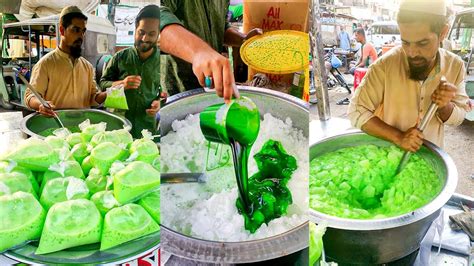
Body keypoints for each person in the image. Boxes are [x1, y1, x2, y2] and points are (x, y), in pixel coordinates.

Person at [348, 0, 470, 152]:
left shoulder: (455, 66)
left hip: (431, 158)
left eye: (422, 43)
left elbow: (459, 116)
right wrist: (398, 137)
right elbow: (356, 110)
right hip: (388, 157)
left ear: (443, 33)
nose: (412, 53)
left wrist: (444, 106)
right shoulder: (385, 65)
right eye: (405, 42)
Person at [160, 1, 262, 103]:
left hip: (211, 89)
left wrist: (243, 40)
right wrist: (199, 52)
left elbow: (222, 27)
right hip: (176, 90)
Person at [25, 6, 106, 117]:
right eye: (76, 30)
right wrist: (41, 105)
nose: (81, 36)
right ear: (62, 30)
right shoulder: (45, 64)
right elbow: (30, 96)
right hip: (57, 128)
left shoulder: (87, 67)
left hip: (82, 128)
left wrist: (110, 93)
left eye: (83, 31)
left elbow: (92, 98)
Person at [100, 5, 161, 138]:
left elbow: (163, 92)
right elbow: (102, 84)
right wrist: (122, 83)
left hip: (146, 128)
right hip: (118, 125)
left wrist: (159, 103)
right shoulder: (119, 57)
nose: (145, 39)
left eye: (151, 34)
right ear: (135, 30)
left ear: (158, 34)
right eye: (141, 32)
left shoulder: (163, 61)